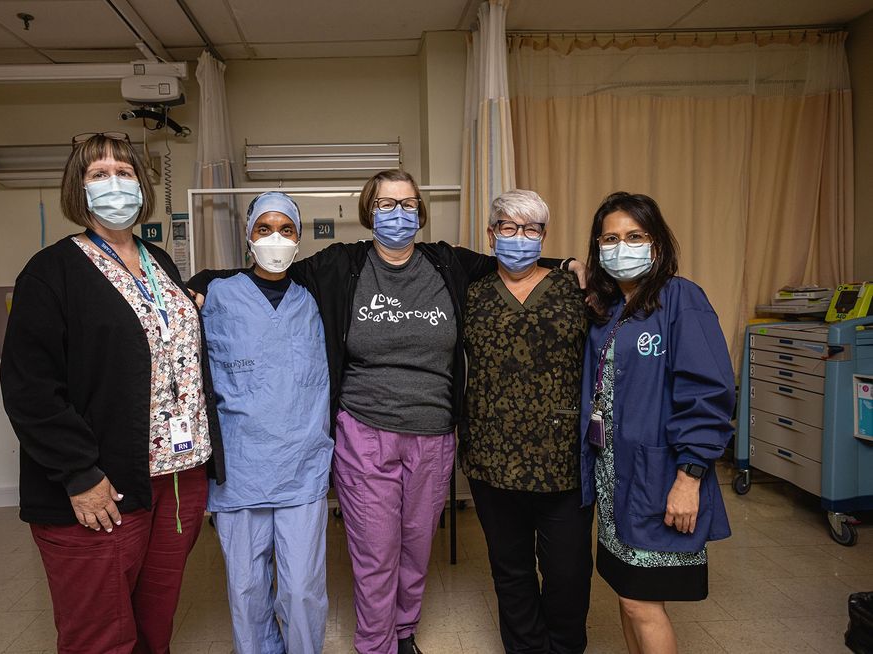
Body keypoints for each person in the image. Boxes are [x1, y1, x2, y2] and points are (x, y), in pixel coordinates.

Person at [284, 171, 580, 654]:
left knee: (416, 546)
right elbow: (273, 276)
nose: (397, 213)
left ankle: (404, 634)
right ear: (369, 211)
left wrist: (565, 263)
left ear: (420, 212)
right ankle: (375, 645)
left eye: (407, 204)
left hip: (434, 433)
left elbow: (511, 259)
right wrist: (202, 285)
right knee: (376, 551)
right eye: (386, 204)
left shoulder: (446, 263)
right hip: (365, 430)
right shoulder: (343, 264)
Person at [0, 132, 223, 654]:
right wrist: (80, 473)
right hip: (104, 486)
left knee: (154, 625)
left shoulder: (159, 262)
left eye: (124, 173)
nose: (114, 184)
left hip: (177, 479)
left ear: (142, 185)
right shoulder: (51, 272)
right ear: (78, 189)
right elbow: (30, 388)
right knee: (100, 635)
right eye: (99, 174)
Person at [579, 192, 734, 654]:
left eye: (634, 236)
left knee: (641, 602)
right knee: (627, 595)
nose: (621, 247)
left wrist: (690, 477)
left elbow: (708, 393)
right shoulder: (607, 310)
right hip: (615, 479)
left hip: (660, 475)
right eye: (610, 238)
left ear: (657, 245)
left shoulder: (681, 299)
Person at [188, 192, 333, 654]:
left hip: (302, 465)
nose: (275, 238)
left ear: (299, 238)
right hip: (241, 467)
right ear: (248, 236)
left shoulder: (316, 299)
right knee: (247, 589)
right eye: (264, 229)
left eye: (286, 230)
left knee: (301, 590)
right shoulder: (214, 296)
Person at [459, 190, 594, 654]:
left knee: (568, 572)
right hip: (491, 458)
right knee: (511, 571)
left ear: (544, 236)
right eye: (509, 228)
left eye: (531, 229)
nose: (520, 237)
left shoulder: (576, 289)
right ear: (491, 234)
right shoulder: (471, 293)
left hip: (563, 460)